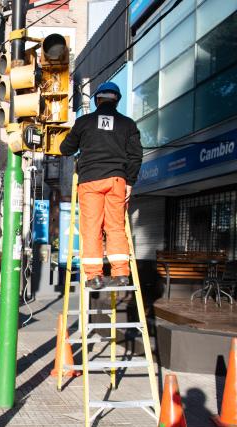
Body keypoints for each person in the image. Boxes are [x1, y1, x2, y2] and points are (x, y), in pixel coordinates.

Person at [59, 82, 143, 290]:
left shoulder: (84, 122)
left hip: (90, 181)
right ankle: (122, 273)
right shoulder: (128, 124)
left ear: (98, 100)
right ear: (117, 100)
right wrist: (129, 182)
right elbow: (136, 156)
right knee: (115, 227)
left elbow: (65, 149)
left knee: (91, 228)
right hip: (117, 180)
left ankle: (94, 276)